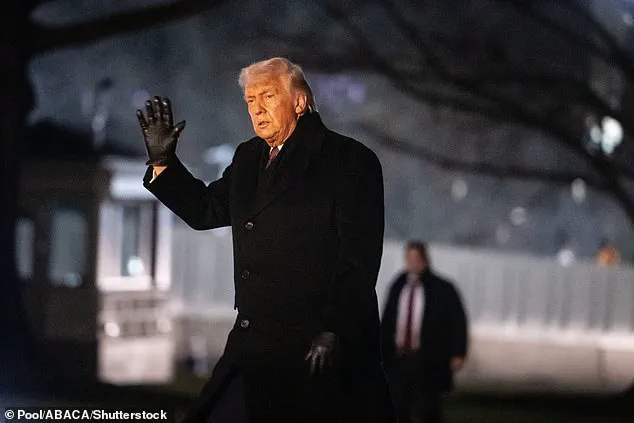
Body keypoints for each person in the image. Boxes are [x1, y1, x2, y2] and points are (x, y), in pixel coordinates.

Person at [136, 57, 396, 423]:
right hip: (254, 343)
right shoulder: (248, 157)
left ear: (299, 102)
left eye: (268, 96)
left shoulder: (349, 161)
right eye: (250, 100)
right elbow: (206, 210)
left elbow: (359, 258)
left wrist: (335, 328)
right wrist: (164, 163)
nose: (257, 109)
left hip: (315, 347)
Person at [380, 241, 468, 423]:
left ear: (425, 260)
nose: (413, 263)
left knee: (428, 408)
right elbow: (388, 321)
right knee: (397, 407)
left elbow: (457, 321)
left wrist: (458, 352)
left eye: (416, 259)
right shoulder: (398, 286)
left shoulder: (442, 289)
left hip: (428, 360)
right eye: (409, 259)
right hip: (399, 359)